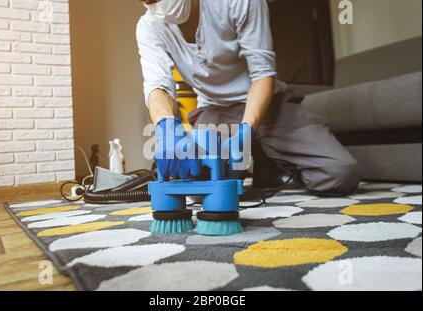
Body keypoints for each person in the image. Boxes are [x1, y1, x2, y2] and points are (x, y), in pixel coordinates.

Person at [136, 0, 362, 196]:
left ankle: (269, 158)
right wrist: (166, 128)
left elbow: (262, 73)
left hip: (269, 103)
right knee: (199, 185)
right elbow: (158, 87)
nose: (158, 6)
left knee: (341, 173)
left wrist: (247, 132)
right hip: (215, 109)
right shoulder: (149, 27)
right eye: (148, 0)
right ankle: (264, 159)